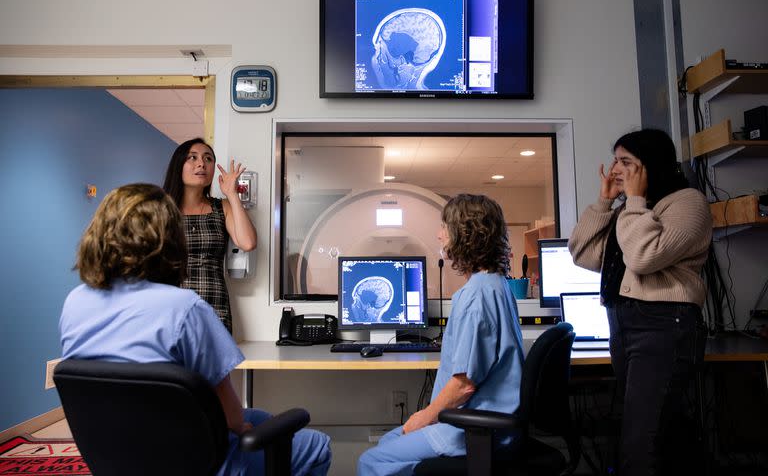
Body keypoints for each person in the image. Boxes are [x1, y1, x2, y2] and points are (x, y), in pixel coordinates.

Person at [59, 183, 331, 476]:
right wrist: (242, 425)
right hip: (195, 462)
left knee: (264, 417)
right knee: (316, 445)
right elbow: (233, 419)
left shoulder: (75, 303)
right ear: (170, 240)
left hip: (116, 455)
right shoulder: (184, 308)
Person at [568, 128, 712, 476]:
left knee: (640, 442)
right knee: (650, 432)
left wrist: (631, 203)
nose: (616, 169)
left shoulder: (686, 203)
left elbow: (644, 256)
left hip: (663, 327)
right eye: (616, 160)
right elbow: (582, 253)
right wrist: (604, 204)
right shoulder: (631, 212)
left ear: (651, 165)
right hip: (625, 324)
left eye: (626, 162)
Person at [357, 194, 525, 476]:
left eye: (445, 227)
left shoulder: (475, 298)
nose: (439, 235)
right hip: (491, 420)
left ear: (465, 234)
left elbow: (463, 386)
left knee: (372, 461)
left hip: (473, 429)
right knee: (389, 441)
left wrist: (423, 417)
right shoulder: (497, 285)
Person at [163, 138, 257, 333]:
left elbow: (247, 243)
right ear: (178, 164)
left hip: (213, 305)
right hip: (170, 307)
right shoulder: (161, 209)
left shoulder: (221, 207)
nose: (201, 164)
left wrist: (232, 194)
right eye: (193, 158)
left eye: (208, 159)